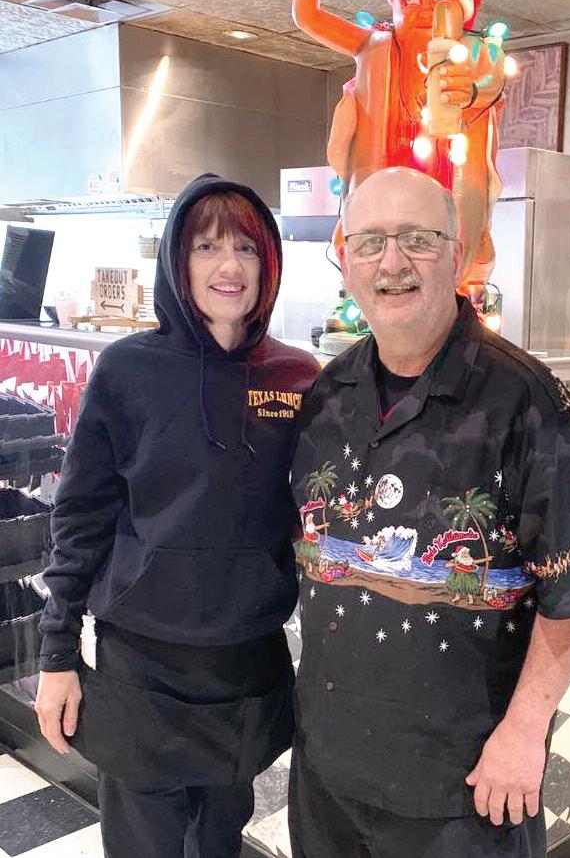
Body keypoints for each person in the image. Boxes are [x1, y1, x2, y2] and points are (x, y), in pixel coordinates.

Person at [290, 166, 570, 858]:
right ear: (346, 260)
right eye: (370, 241)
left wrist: (525, 732)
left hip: (464, 791)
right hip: (328, 774)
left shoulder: (527, 401)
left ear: (457, 254)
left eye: (418, 238)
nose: (392, 262)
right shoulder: (328, 395)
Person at [35, 173, 320, 858]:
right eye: (207, 247)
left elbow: (317, 509)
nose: (229, 266)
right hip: (141, 663)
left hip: (245, 661)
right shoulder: (126, 371)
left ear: (268, 263)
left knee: (219, 840)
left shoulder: (297, 376)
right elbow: (80, 519)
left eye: (246, 248)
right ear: (176, 259)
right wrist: (57, 653)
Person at [293, 0, 505, 291]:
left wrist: (470, 92)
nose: (423, 7)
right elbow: (306, 15)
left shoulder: (475, 53)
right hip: (380, 208)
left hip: (449, 212)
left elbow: (490, 81)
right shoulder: (371, 48)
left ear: (461, 4)